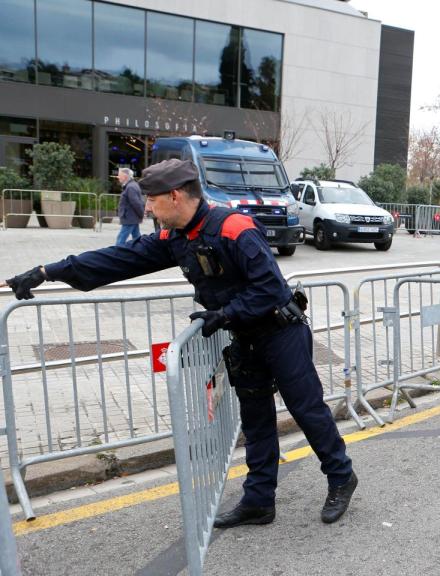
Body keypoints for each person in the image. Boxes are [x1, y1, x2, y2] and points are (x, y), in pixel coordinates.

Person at [1, 159, 358, 529]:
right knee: (256, 421)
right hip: (246, 337)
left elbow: (270, 288)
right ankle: (259, 500)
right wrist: (48, 272)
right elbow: (118, 259)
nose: (148, 209)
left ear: (174, 196)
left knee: (307, 410)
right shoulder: (177, 238)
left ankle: (341, 476)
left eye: (152, 201)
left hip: (281, 332)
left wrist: (226, 313)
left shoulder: (235, 228)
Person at [115, 168, 145, 246]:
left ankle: (116, 254)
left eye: (119, 175)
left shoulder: (131, 187)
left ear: (125, 176)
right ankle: (140, 250)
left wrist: (141, 214)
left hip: (129, 217)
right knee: (136, 237)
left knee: (121, 238)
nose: (118, 177)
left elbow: (136, 203)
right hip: (132, 217)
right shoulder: (131, 186)